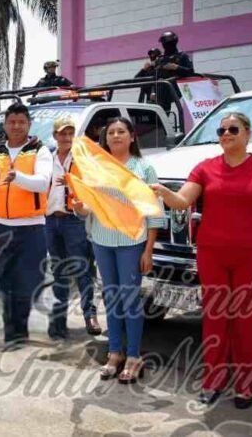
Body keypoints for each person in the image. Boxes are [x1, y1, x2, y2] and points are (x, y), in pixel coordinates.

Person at [151, 112, 252, 409]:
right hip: (212, 254)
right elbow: (183, 201)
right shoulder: (205, 168)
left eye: (233, 129)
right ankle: (213, 381)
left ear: (248, 133)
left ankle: (246, 386)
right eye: (221, 129)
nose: (226, 134)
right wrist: (163, 192)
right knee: (215, 319)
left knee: (247, 322)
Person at [71, 117, 165, 384]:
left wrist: (149, 250)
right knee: (111, 299)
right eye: (111, 132)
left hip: (132, 243)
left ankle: (134, 356)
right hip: (101, 241)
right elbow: (90, 206)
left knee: (130, 301)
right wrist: (80, 208)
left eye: (121, 131)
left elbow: (154, 212)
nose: (115, 136)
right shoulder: (97, 168)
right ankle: (114, 352)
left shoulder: (143, 168)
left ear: (132, 136)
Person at [0, 103, 53, 348]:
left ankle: (15, 333)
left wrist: (15, 176)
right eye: (12, 122)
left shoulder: (40, 151)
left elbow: (42, 183)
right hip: (0, 227)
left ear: (29, 124)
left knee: (26, 281)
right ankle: (15, 329)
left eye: (21, 122)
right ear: (5, 125)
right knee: (1, 277)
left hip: (32, 228)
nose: (16, 126)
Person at [45, 117, 101, 339]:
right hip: (50, 220)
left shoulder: (81, 159)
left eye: (70, 133)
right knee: (58, 271)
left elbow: (92, 185)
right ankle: (58, 320)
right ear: (55, 136)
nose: (66, 137)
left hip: (73, 220)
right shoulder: (47, 159)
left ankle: (90, 315)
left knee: (82, 269)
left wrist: (71, 183)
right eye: (62, 133)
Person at [151, 31, 194, 112]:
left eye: (169, 43)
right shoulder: (160, 59)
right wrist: (153, 91)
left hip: (176, 88)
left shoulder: (182, 55)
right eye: (165, 43)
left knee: (163, 86)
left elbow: (191, 72)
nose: (166, 45)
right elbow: (155, 77)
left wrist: (176, 67)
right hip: (161, 90)